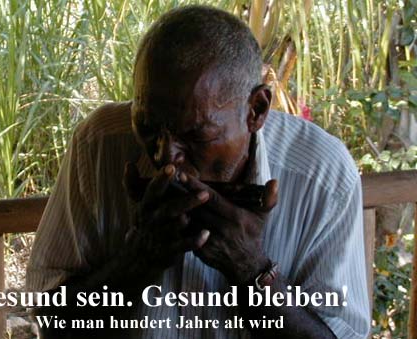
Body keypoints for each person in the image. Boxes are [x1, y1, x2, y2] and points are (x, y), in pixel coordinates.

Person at [26, 5, 370, 339]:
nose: (166, 159)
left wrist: (251, 270)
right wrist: (137, 260)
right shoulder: (99, 144)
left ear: (257, 110)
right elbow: (52, 321)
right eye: (147, 127)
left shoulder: (322, 175)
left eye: (195, 135)